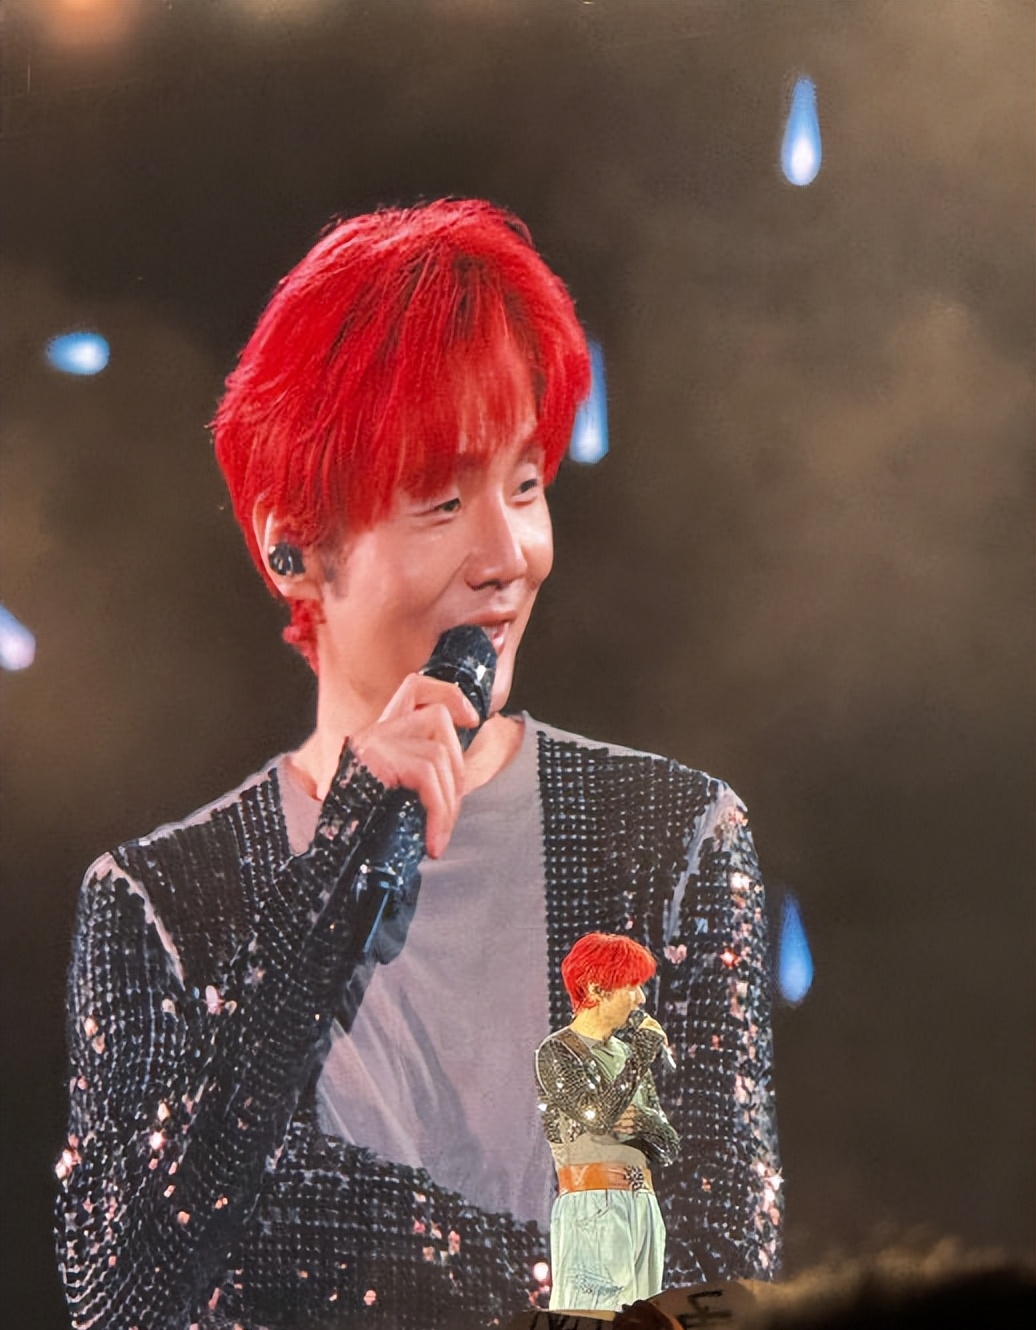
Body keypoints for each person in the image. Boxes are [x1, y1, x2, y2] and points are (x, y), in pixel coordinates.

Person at [54, 199, 782, 1330]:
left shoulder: (666, 834)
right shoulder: (159, 901)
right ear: (292, 544)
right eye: (443, 500)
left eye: (526, 485)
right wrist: (336, 865)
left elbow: (718, 1289)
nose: (508, 556)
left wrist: (326, 1218)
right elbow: (121, 1294)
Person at [536, 933, 681, 1313]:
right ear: (596, 989)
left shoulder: (628, 1056)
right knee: (596, 1315)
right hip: (594, 1204)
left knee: (642, 1319)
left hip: (643, 1205)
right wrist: (641, 1057)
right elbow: (597, 1117)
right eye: (631, 986)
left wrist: (646, 1121)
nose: (641, 999)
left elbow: (669, 1147)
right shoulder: (557, 1052)